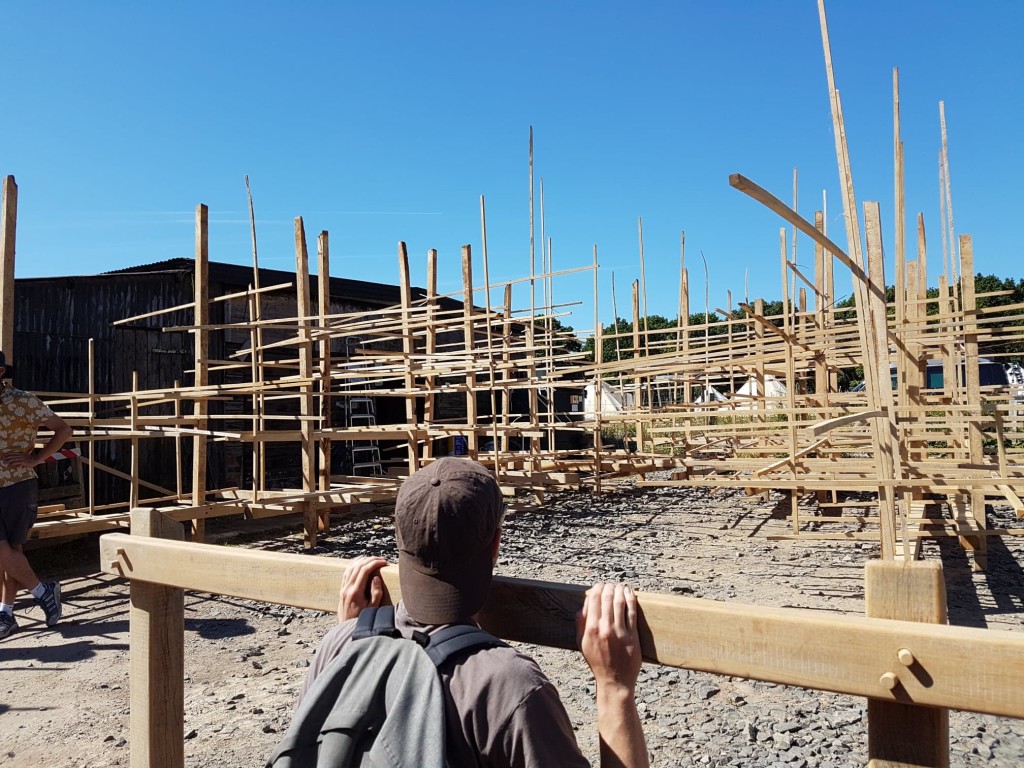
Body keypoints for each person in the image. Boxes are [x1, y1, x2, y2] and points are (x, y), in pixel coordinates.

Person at [300, 457, 649, 768]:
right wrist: (614, 687)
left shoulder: (338, 644)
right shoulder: (508, 685)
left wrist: (354, 639)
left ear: (399, 538)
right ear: (496, 543)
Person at [0, 350, 73, 639]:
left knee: (11, 552)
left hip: (16, 483)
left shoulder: (23, 400)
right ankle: (43, 592)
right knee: (4, 552)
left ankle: (5, 612)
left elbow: (63, 430)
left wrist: (35, 459)